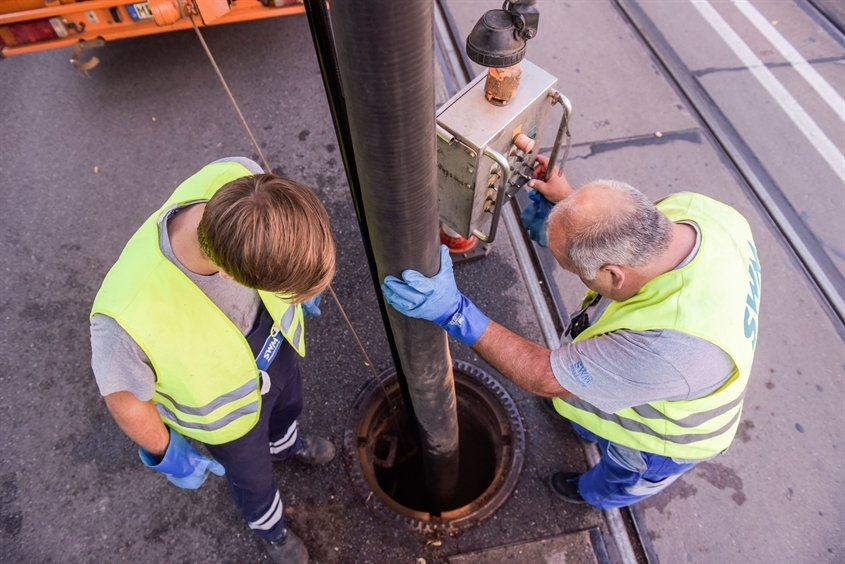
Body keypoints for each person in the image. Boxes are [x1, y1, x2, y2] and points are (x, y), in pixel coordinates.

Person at [382, 154, 761, 510]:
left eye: (576, 270)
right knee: (580, 401)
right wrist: (569, 205)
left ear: (614, 274)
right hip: (644, 373)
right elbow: (621, 227)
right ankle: (583, 420)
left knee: (621, 475)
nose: (576, 275)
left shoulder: (668, 346)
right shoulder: (703, 215)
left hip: (658, 436)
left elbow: (546, 376)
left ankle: (591, 495)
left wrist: (455, 311)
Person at [90, 157, 337, 564]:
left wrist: (302, 286)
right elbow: (123, 398)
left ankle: (285, 443)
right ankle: (270, 528)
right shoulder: (124, 318)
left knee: (288, 407)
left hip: (275, 350)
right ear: (228, 274)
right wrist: (168, 451)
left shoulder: (237, 174)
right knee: (252, 479)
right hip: (229, 416)